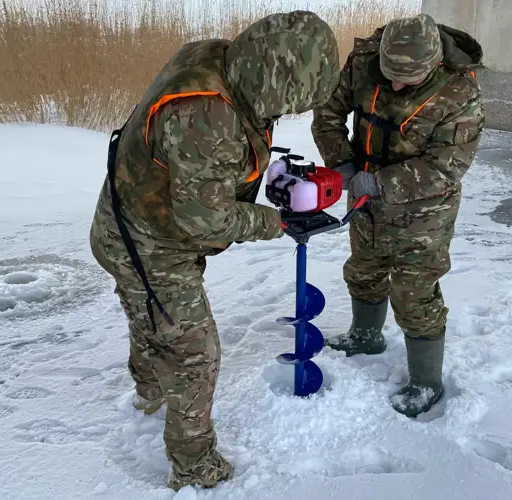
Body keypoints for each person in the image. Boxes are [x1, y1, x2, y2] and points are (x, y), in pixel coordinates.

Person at [89, 11, 339, 491]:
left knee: (152, 315)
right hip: (147, 244)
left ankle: (149, 391)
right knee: (195, 353)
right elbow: (203, 218)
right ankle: (194, 465)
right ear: (278, 83)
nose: (291, 113)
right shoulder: (207, 116)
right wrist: (273, 221)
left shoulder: (225, 60)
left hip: (135, 225)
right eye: (294, 104)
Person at [311, 13, 484, 418]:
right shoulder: (363, 61)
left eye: (408, 80)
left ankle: (426, 382)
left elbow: (445, 166)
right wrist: (342, 163)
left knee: (413, 292)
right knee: (364, 269)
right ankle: (366, 335)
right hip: (365, 198)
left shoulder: (460, 94)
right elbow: (328, 112)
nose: (395, 87)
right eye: (389, 76)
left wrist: (379, 183)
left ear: (434, 64)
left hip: (425, 210)